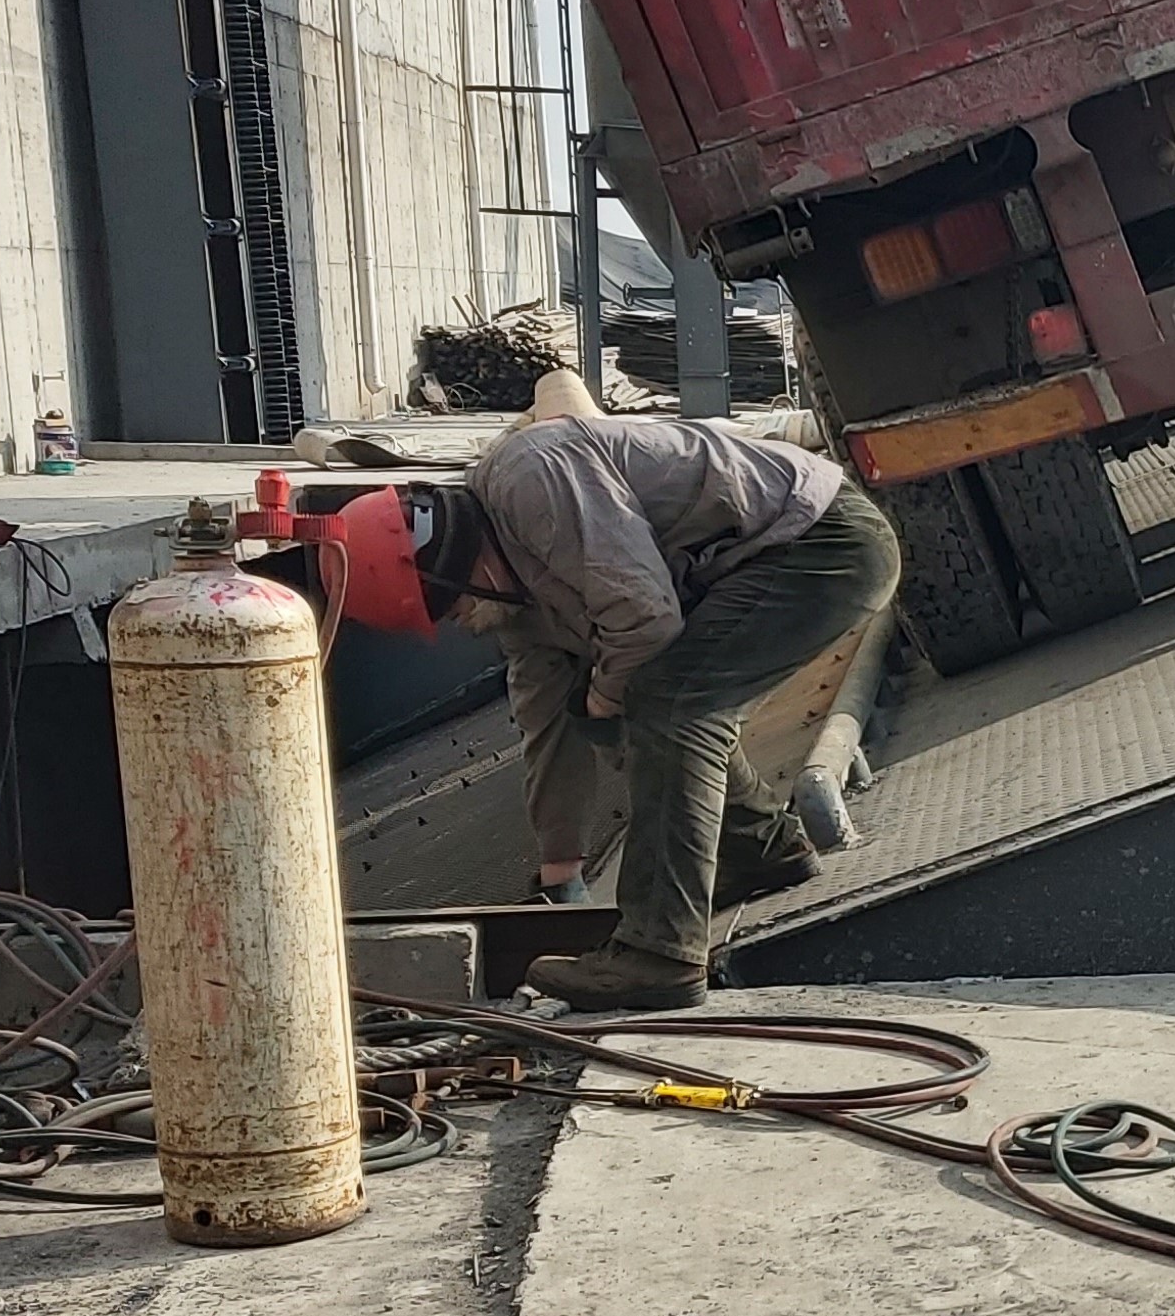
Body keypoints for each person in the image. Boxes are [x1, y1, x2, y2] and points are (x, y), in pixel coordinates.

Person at [311, 403, 898, 1013]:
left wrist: (609, 694)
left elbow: (647, 619)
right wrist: (560, 866)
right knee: (615, 703)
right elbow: (546, 721)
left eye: (451, 609)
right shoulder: (517, 601)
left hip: (821, 543)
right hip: (770, 557)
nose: (460, 624)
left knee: (670, 702)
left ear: (455, 570)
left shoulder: (531, 481)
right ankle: (761, 851)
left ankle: (660, 955)